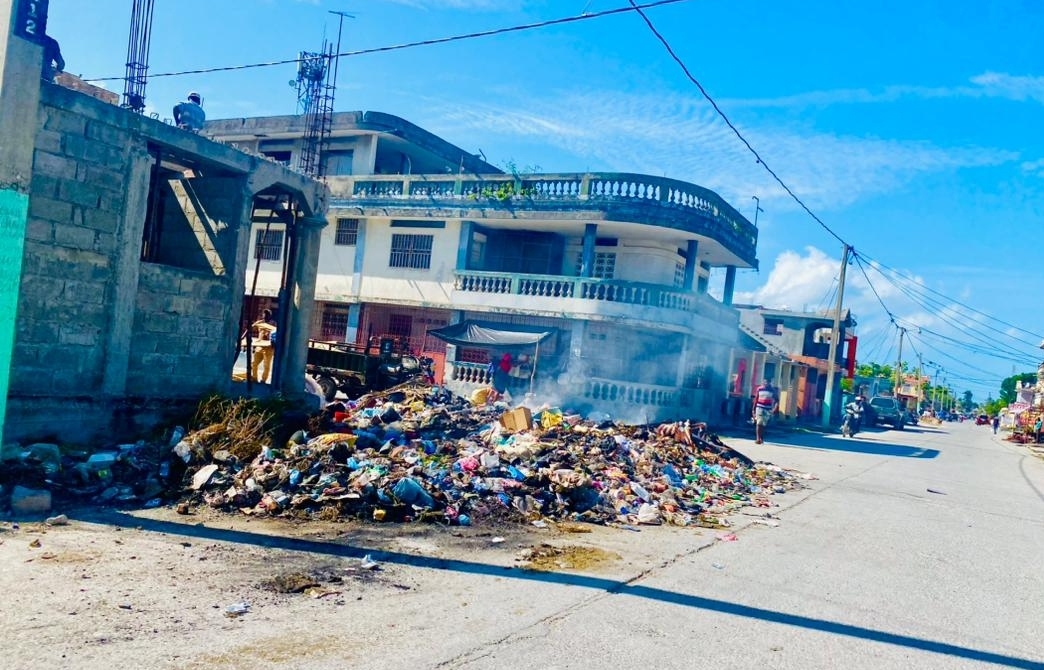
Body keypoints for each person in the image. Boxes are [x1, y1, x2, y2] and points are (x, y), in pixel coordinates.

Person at [250, 309, 277, 383]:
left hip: (269, 347)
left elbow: (276, 333)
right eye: (264, 314)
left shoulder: (273, 324)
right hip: (259, 346)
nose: (265, 316)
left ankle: (263, 380)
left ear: (270, 316)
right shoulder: (260, 323)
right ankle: (254, 378)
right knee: (254, 363)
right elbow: (250, 328)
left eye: (267, 314)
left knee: (266, 366)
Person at [752, 378, 778, 444]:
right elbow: (756, 399)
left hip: (767, 409)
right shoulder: (759, 389)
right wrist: (753, 409)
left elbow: (777, 400)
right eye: (765, 382)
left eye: (768, 382)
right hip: (759, 408)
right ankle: (758, 439)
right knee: (758, 422)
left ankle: (761, 438)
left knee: (763, 424)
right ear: (763, 381)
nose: (766, 383)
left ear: (770, 382)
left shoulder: (772, 390)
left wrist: (774, 409)